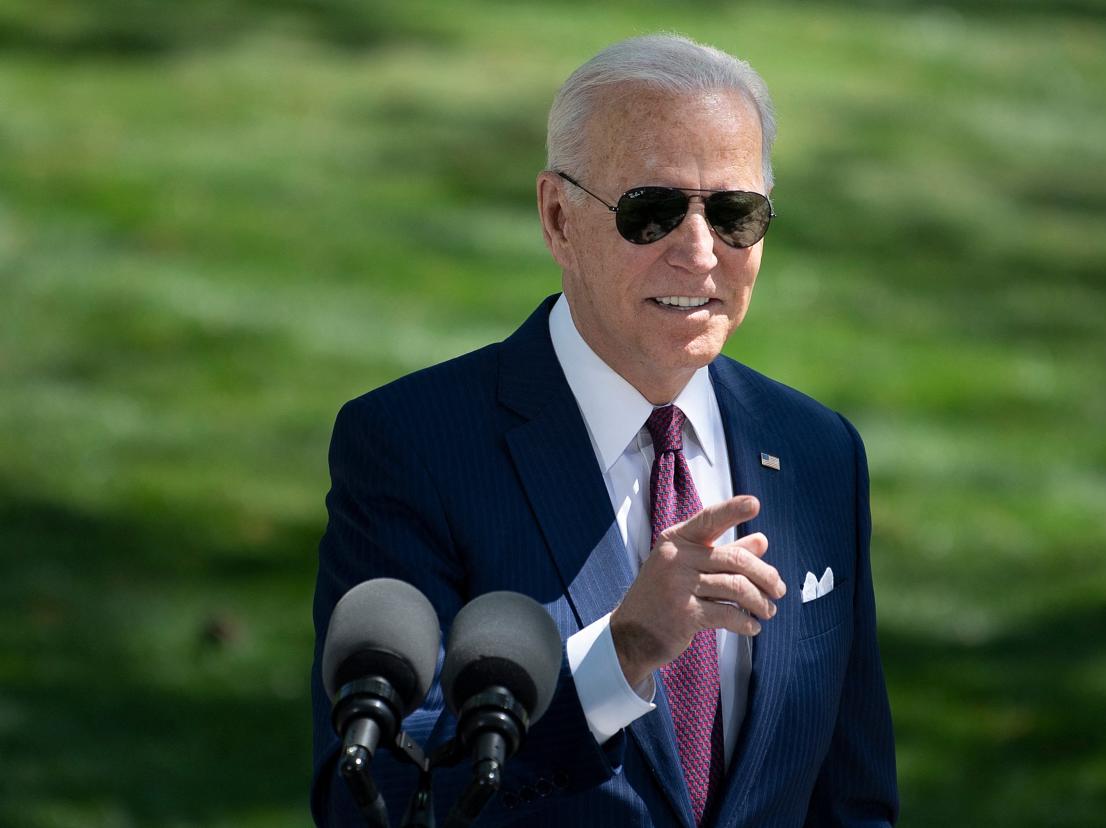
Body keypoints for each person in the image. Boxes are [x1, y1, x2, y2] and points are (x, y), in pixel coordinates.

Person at [311, 33, 898, 827]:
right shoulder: (413, 445)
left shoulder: (819, 452)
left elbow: (852, 800)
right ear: (558, 218)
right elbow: (371, 796)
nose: (699, 254)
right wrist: (619, 655)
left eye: (735, 214)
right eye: (650, 213)